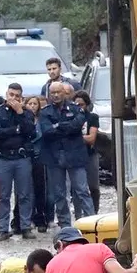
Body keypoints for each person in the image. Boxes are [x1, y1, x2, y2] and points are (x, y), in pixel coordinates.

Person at [39, 83, 95, 228]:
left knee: (82, 190)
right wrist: (66, 126)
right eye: (53, 93)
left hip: (75, 156)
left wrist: (58, 125)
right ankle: (65, 225)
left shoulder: (75, 109)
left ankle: (91, 221)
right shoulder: (45, 112)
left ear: (64, 93)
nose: (56, 95)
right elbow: (46, 131)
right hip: (54, 157)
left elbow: (77, 125)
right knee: (59, 194)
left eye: (58, 92)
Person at [0, 83, 36, 241]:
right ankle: (3, 229)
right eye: (11, 95)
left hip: (22, 158)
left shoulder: (26, 113)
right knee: (3, 196)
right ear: (6, 94)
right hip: (4, 158)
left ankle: (25, 227)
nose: (14, 98)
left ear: (21, 97)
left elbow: (30, 132)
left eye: (17, 96)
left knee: (24, 194)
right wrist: (16, 130)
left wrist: (20, 113)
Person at [74, 90, 112, 213]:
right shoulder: (71, 117)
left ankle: (94, 211)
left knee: (94, 186)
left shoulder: (92, 117)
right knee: (78, 188)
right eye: (76, 105)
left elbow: (91, 138)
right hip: (76, 155)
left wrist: (75, 137)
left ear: (87, 105)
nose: (79, 107)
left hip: (90, 154)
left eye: (81, 104)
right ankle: (79, 213)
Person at [24, 95, 50, 233]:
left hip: (40, 158)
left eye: (35, 103)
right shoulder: (22, 119)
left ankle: (41, 218)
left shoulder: (42, 120)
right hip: (26, 156)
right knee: (25, 191)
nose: (33, 106)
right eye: (30, 103)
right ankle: (25, 219)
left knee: (40, 189)